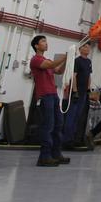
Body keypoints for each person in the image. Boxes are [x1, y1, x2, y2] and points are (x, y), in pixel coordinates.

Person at [30, 36, 68, 167]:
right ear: (36, 46)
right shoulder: (36, 60)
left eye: (46, 41)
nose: (46, 44)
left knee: (58, 124)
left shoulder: (47, 60)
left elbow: (58, 70)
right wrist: (65, 56)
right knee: (48, 125)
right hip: (45, 96)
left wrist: (67, 60)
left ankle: (56, 154)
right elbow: (52, 65)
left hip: (53, 95)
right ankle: (44, 157)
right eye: (43, 41)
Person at [62, 42, 94, 148]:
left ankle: (73, 139)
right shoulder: (77, 61)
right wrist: (75, 91)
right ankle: (66, 140)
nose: (87, 48)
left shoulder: (89, 61)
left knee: (78, 116)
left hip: (84, 92)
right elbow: (74, 76)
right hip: (76, 92)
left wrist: (89, 88)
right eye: (85, 46)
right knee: (71, 115)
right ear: (80, 49)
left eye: (88, 47)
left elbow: (89, 75)